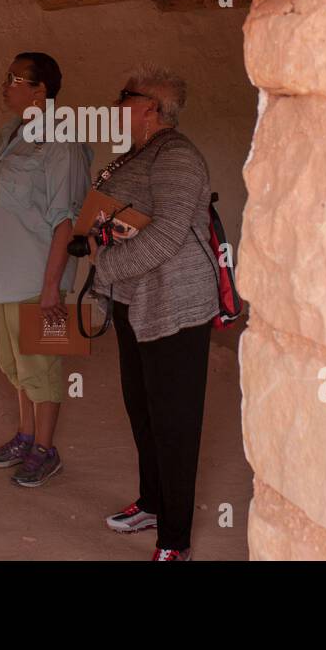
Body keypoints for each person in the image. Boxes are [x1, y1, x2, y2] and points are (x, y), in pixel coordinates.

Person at [85, 64, 219, 560]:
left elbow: (166, 235)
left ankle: (175, 540)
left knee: (175, 421)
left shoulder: (178, 156)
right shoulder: (136, 154)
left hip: (174, 304)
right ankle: (153, 503)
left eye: (124, 97)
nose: (116, 105)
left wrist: (108, 264)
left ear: (151, 109)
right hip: (134, 300)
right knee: (142, 410)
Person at [0, 52, 92, 488]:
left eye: (14, 78)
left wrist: (51, 288)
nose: (5, 84)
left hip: (39, 275)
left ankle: (46, 448)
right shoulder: (11, 133)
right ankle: (25, 436)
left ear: (41, 90)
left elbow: (67, 219)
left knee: (42, 367)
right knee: (15, 364)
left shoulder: (64, 139)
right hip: (2, 271)